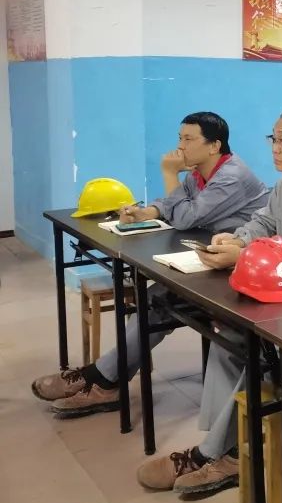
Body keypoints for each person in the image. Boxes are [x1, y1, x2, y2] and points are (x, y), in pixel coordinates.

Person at [133, 106, 282, 498]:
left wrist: (243, 256)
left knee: (262, 356)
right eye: (273, 139)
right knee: (227, 335)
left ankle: (214, 455)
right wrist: (237, 239)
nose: (275, 148)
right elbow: (263, 222)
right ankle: (224, 449)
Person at [31, 112, 269, 417]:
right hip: (211, 261)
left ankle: (101, 379)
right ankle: (105, 380)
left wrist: (169, 173)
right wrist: (146, 213)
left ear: (214, 146)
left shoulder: (232, 175)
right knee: (154, 299)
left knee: (157, 301)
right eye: (180, 138)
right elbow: (172, 204)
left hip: (238, 271)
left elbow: (184, 218)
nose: (180, 146)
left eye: (188, 139)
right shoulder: (200, 173)